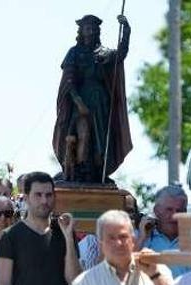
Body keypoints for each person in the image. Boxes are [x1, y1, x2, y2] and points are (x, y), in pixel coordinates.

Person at [52, 14, 133, 183]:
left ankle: (96, 172)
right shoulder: (74, 53)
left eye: (94, 28)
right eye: (87, 28)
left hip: (101, 101)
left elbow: (120, 54)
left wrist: (126, 31)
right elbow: (69, 81)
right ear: (81, 31)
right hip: (80, 100)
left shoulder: (103, 52)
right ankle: (79, 169)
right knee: (83, 133)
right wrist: (78, 102)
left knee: (101, 139)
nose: (91, 31)